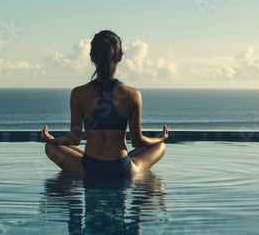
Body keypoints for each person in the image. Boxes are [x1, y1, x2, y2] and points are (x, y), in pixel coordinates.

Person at [41, 30, 167, 175]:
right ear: (120, 56)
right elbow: (137, 142)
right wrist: (160, 138)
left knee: (50, 147)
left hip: (88, 167)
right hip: (122, 168)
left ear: (92, 57)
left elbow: (74, 139)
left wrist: (52, 139)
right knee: (160, 146)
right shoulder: (133, 94)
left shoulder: (78, 93)